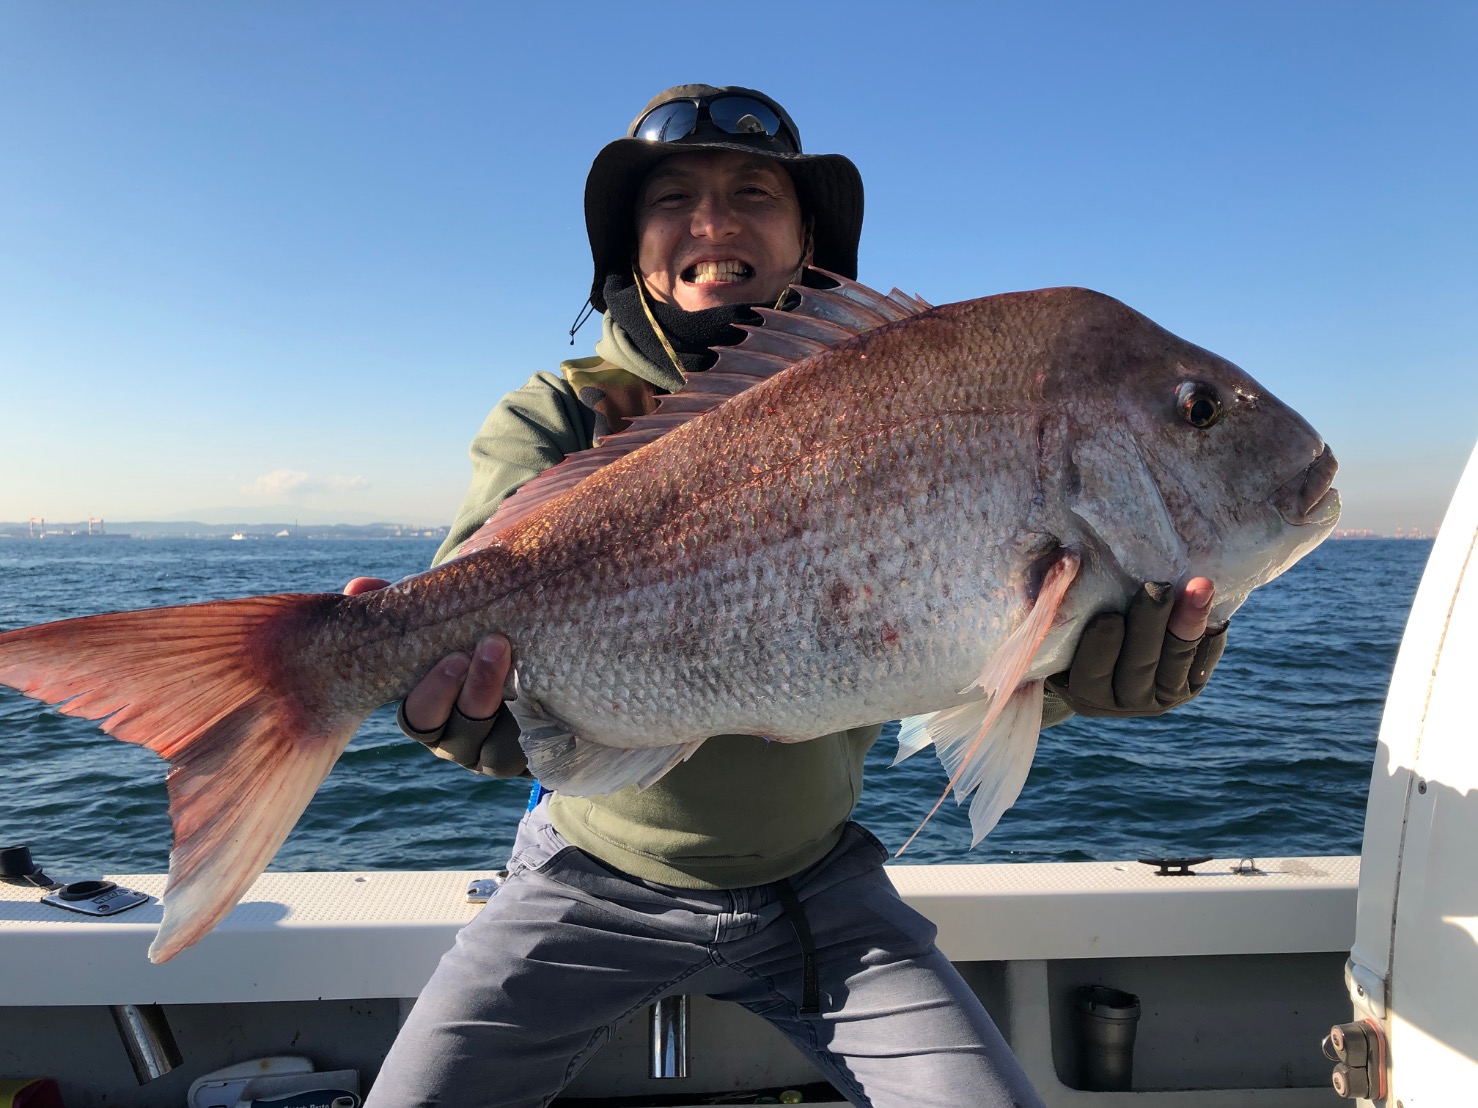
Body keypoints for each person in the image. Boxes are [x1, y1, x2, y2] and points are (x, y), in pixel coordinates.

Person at [350, 84, 1226, 1108]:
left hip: (820, 890)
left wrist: (1081, 675)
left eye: (752, 193)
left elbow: (962, 645)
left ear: (807, 239)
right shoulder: (556, 411)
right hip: (581, 878)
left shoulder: (901, 395)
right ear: (630, 245)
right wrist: (455, 694)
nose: (711, 223)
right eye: (671, 196)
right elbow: (470, 592)